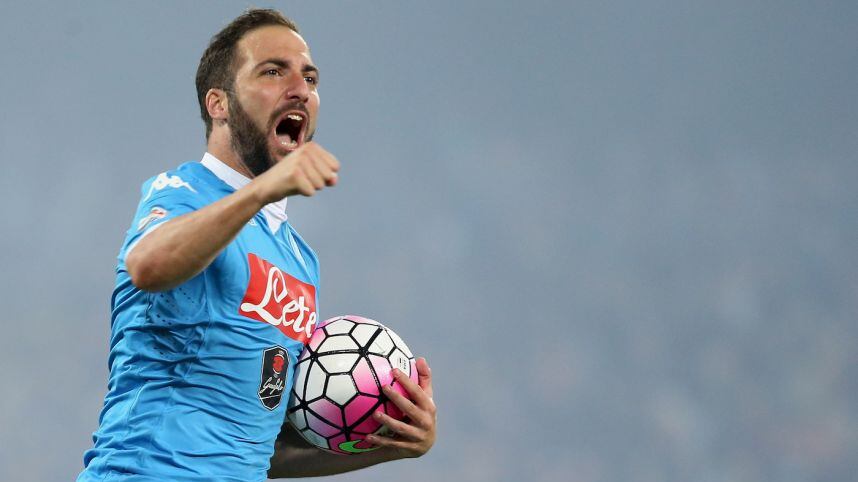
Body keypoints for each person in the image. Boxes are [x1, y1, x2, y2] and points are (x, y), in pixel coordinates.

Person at [77, 8, 436, 481]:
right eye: (272, 71)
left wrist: (393, 444)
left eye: (310, 77)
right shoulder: (182, 191)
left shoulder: (301, 261)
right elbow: (147, 265)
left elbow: (263, 448)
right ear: (218, 103)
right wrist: (261, 191)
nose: (300, 88)